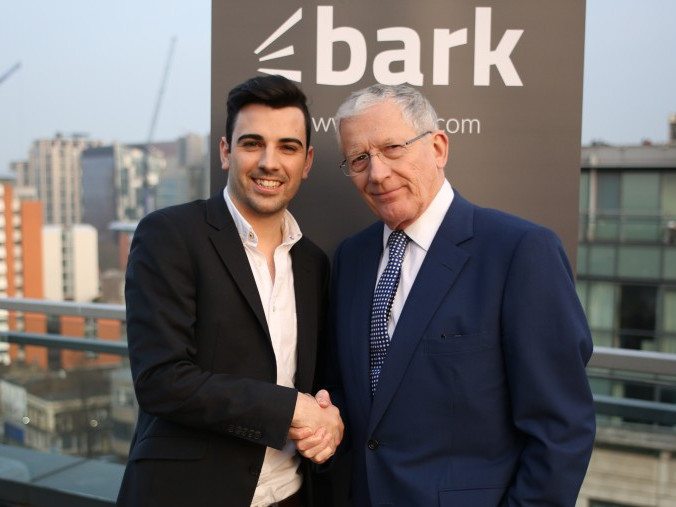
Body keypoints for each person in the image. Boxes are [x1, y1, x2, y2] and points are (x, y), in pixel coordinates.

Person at [324, 84, 596, 506]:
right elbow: (362, 395)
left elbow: (561, 430)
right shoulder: (352, 258)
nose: (376, 174)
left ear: (438, 147)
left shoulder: (520, 251)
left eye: (393, 148)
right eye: (359, 159)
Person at [117, 75, 343, 507]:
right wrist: (290, 409)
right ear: (226, 151)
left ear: (307, 161)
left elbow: (317, 380)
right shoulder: (170, 235)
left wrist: (330, 418)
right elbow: (161, 380)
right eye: (252, 143)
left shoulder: (314, 263)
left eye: (287, 147)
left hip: (294, 494)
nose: (269, 162)